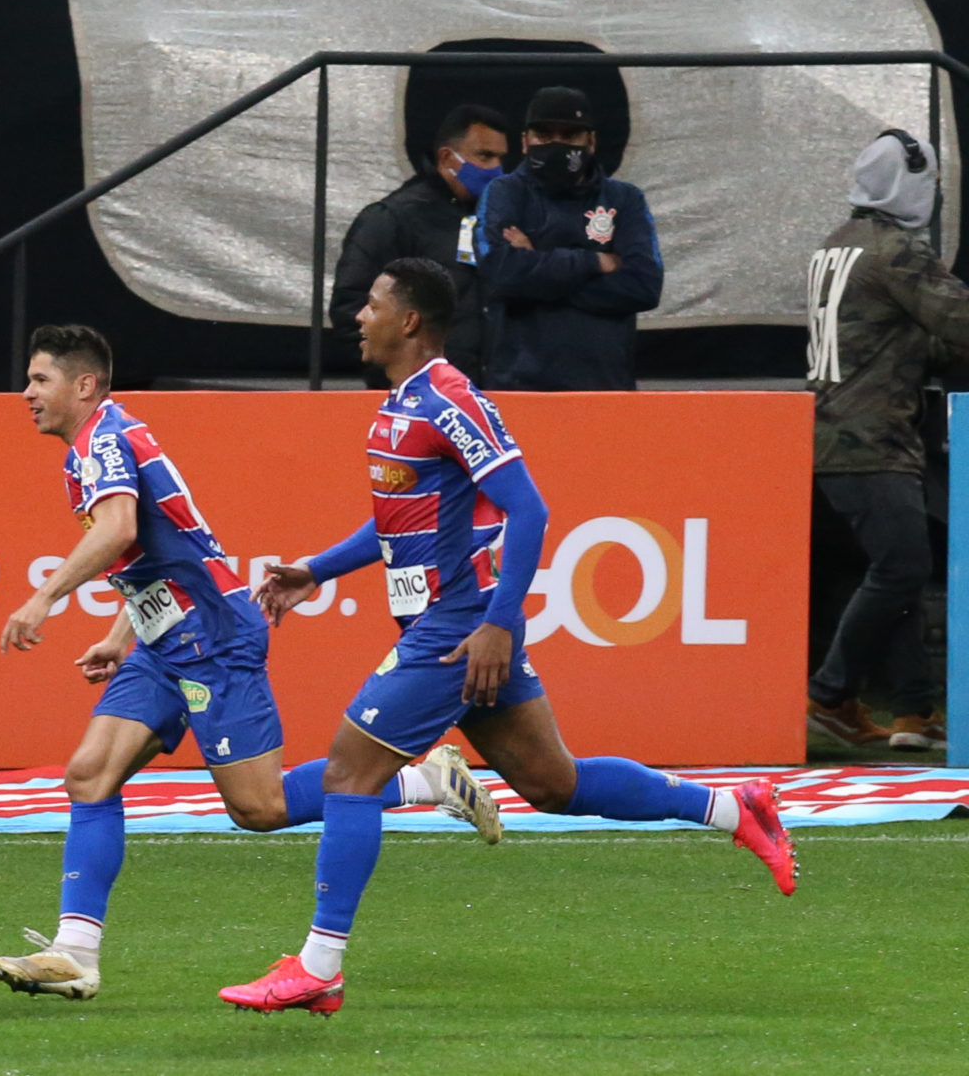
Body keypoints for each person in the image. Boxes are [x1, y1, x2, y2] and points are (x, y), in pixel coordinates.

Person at [217, 260, 795, 1018]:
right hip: (452, 623)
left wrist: (495, 624)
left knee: (350, 775)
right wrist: (318, 570)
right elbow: (402, 517)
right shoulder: (403, 403)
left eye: (374, 304)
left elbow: (530, 510)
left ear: (411, 321)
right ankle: (732, 806)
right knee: (554, 782)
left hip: (457, 628)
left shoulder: (451, 398)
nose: (359, 315)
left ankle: (320, 966)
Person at [0, 324, 500, 1002]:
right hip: (164, 640)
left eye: (40, 379)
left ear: (83, 384)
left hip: (213, 638)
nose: (27, 393)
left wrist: (44, 597)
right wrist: (122, 632)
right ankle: (76, 953)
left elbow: (120, 531)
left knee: (259, 807)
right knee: (89, 774)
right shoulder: (97, 440)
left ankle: (425, 779)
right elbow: (159, 550)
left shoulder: (105, 440)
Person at [805, 130, 967, 751]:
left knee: (891, 567)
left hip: (831, 433)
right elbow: (958, 321)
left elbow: (890, 336)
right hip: (872, 437)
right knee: (903, 566)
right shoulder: (896, 250)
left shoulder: (837, 244)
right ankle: (829, 695)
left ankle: (912, 712)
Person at [477, 86, 662, 390]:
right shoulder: (505, 192)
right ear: (525, 142)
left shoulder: (625, 199)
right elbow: (500, 275)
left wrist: (537, 265)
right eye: (544, 135)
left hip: (605, 387)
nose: (556, 145)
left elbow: (644, 286)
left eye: (569, 135)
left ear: (591, 142)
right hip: (518, 388)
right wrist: (593, 260)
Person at [331, 103, 510, 383]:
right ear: (447, 157)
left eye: (500, 159)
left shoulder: (499, 219)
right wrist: (405, 377)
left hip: (492, 393)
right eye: (485, 156)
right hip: (417, 401)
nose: (496, 169)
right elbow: (350, 312)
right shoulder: (393, 218)